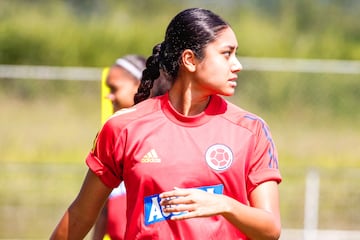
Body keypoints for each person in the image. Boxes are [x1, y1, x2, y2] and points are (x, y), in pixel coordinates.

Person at [51, 8, 282, 240]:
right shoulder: (124, 127)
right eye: (226, 54)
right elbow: (80, 216)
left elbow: (271, 230)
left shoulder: (251, 130)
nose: (237, 65)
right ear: (190, 60)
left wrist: (225, 205)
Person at [92, 55, 171, 240]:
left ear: (139, 85)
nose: (108, 96)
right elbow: (102, 207)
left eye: (114, 89)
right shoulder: (115, 135)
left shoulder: (165, 137)